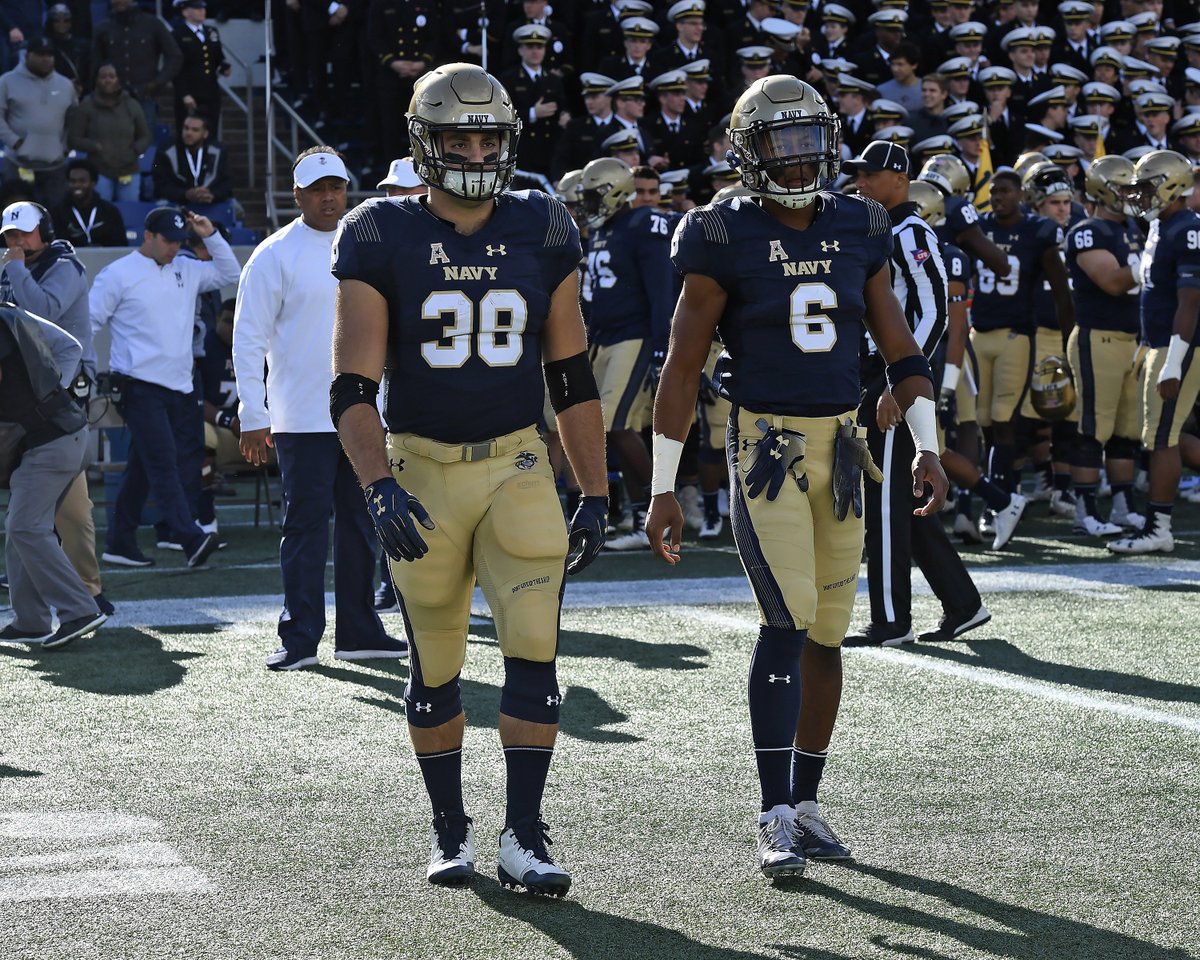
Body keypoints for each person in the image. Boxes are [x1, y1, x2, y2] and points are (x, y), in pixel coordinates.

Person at [645, 76, 948, 879]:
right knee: (787, 618)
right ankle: (773, 811)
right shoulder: (719, 231)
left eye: (809, 139)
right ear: (750, 151)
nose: (799, 158)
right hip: (768, 444)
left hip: (844, 444)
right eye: (781, 144)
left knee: (828, 631)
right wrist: (663, 486)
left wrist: (927, 443)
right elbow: (681, 368)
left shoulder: (860, 223)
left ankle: (807, 804)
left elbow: (900, 349)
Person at [330, 64, 607, 893]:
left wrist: (595, 491)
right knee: (438, 658)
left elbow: (571, 377)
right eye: (460, 140)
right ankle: (449, 826)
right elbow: (351, 387)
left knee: (534, 651)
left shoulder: (543, 224)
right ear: (426, 143)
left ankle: (525, 834)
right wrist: (378, 484)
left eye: (490, 140)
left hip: (517, 463)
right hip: (421, 469)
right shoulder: (378, 230)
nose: (479, 155)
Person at [233, 147, 407, 670]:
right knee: (305, 527)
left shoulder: (372, 243)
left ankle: (358, 631)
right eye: (317, 189)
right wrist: (253, 413)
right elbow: (247, 337)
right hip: (300, 418)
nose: (329, 197)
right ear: (297, 195)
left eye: (336, 187)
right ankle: (300, 637)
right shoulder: (273, 254)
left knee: (362, 525)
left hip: (365, 415)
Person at [843, 140, 990, 648]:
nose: (861, 182)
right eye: (858, 174)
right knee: (902, 499)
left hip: (893, 374)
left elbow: (933, 312)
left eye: (870, 174)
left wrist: (898, 380)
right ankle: (963, 603)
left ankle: (891, 620)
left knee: (883, 497)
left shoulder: (910, 231)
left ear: (900, 179)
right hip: (877, 373)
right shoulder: (879, 229)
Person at [89, 207, 239, 568]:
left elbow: (231, 273)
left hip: (180, 385)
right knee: (163, 462)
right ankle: (189, 538)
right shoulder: (118, 274)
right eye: (168, 240)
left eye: (179, 241)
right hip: (138, 386)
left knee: (145, 465)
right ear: (148, 236)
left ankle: (120, 541)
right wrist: (83, 370)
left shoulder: (186, 268)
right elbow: (88, 323)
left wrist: (209, 234)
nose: (174, 247)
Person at [0, 200, 112, 617]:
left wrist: (13, 268)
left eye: (24, 233)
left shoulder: (65, 267)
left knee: (71, 506)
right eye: (10, 236)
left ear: (44, 232)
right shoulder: (15, 268)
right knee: (29, 504)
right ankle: (33, 600)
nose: (16, 242)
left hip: (62, 402)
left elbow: (40, 311)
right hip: (27, 402)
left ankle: (87, 591)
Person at [580, 156, 674, 551]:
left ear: (615, 191)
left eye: (593, 196)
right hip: (606, 338)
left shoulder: (643, 224)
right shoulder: (605, 229)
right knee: (621, 427)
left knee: (614, 423)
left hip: (634, 337)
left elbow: (661, 290)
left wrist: (661, 346)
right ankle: (641, 518)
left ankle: (662, 507)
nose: (587, 204)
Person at [0, 303, 106, 649]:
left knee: (25, 526)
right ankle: (31, 620)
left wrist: (43, 397)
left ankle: (79, 610)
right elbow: (70, 347)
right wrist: (49, 394)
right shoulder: (11, 312)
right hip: (64, 433)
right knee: (22, 526)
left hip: (50, 443)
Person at [1110, 150, 1200, 554]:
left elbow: (1190, 302)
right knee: (1166, 435)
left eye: (1147, 188)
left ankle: (1158, 528)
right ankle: (1156, 525)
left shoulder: (1187, 228)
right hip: (1159, 343)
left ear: (1172, 185)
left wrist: (1173, 362)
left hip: (1177, 345)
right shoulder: (1161, 225)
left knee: (1163, 438)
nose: (1140, 196)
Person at [1065, 156, 1147, 537]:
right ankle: (1084, 510)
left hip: (1132, 340)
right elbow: (1112, 281)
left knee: (1126, 430)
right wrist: (1154, 260)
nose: (1133, 196)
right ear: (1103, 190)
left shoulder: (1135, 228)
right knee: (1092, 428)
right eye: (1125, 189)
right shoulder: (1088, 230)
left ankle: (1122, 506)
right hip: (1098, 338)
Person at [0, 36, 77, 207]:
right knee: (17, 214)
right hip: (18, 164)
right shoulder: (7, 81)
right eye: (40, 54)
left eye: (49, 55)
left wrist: (64, 146)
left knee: (55, 215)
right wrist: (15, 142)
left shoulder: (65, 85)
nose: (46, 59)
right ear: (27, 55)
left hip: (55, 166)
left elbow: (74, 120)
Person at [66, 62, 153, 203]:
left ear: (119, 80)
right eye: (103, 77)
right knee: (102, 209)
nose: (107, 80)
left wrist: (135, 150)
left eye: (112, 77)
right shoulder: (87, 106)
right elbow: (74, 139)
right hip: (99, 171)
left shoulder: (132, 104)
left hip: (129, 169)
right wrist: (94, 146)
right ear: (96, 80)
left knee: (129, 211)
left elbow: (145, 136)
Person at [91, 0, 181, 128]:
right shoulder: (103, 28)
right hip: (112, 96)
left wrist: (158, 82)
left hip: (145, 94)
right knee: (111, 137)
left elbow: (175, 56)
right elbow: (95, 64)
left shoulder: (153, 24)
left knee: (144, 136)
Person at [171, 0, 230, 134]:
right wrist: (184, 94)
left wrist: (223, 67)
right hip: (190, 90)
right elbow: (175, 68)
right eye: (196, 8)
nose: (201, 11)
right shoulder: (178, 34)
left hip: (210, 90)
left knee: (211, 130)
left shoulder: (211, 31)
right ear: (185, 12)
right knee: (188, 132)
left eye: (202, 8)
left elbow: (218, 57)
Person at [151, 114, 233, 206]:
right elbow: (160, 186)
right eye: (186, 128)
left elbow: (227, 183)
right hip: (176, 202)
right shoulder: (166, 150)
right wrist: (185, 194)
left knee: (236, 207)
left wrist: (212, 195)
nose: (189, 133)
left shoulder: (218, 151)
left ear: (205, 134)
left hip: (211, 201)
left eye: (195, 130)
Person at [50, 159, 129, 248]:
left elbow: (120, 245)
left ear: (93, 183)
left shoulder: (110, 211)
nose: (77, 185)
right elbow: (57, 247)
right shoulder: (58, 213)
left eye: (82, 181)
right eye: (73, 181)